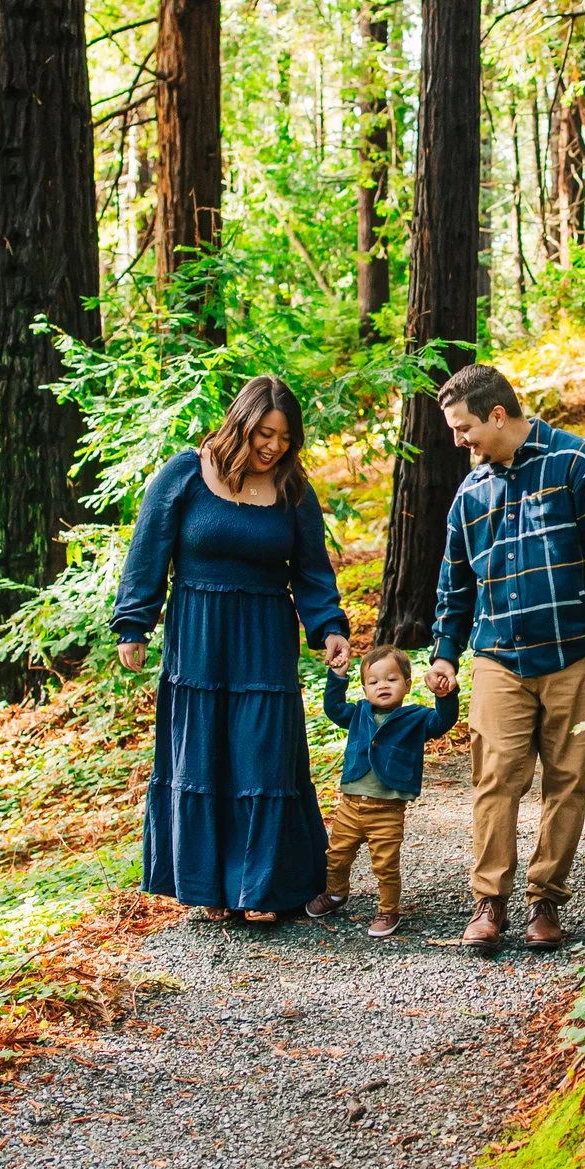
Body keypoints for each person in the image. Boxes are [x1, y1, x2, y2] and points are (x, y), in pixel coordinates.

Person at [114, 375, 353, 924]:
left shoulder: (292, 491)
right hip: (198, 636)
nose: (274, 446)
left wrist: (329, 627)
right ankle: (212, 888)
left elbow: (312, 572)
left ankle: (264, 887)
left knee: (263, 756)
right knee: (203, 754)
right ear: (239, 424)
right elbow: (148, 551)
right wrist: (134, 624)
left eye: (286, 438)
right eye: (264, 433)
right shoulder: (184, 474)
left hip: (265, 636)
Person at [425, 363, 585, 956]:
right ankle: (489, 901)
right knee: (495, 779)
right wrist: (445, 652)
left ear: (497, 415)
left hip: (575, 652)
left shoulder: (580, 464)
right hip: (498, 655)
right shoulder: (470, 493)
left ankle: (546, 899)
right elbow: (454, 584)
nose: (458, 441)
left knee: (570, 780)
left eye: (463, 428)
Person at [309, 644, 461, 938]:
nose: (382, 686)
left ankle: (388, 909)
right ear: (364, 687)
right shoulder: (358, 713)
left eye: (391, 679)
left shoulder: (416, 718)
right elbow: (333, 709)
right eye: (374, 681)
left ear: (407, 684)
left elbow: (443, 721)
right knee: (337, 855)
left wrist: (444, 696)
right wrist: (338, 676)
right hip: (351, 806)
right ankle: (336, 893)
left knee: (385, 864)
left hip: (387, 810)